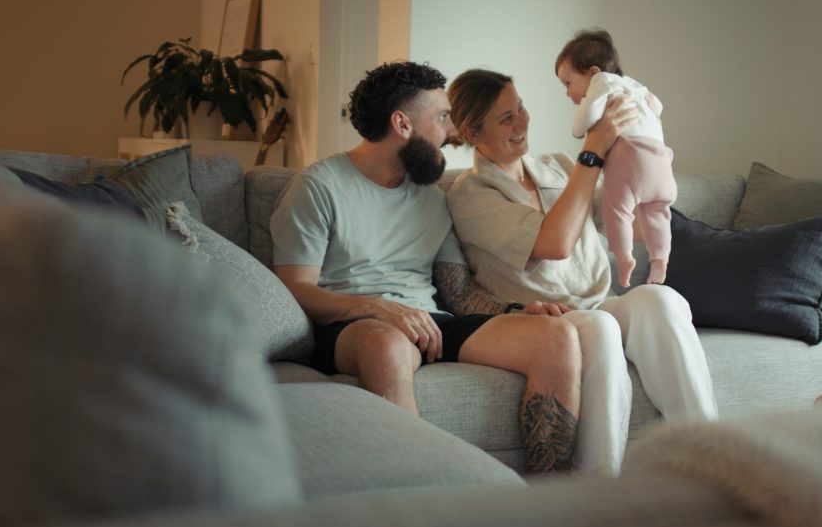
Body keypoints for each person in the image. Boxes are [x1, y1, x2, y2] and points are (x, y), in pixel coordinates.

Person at [270, 61, 629, 476]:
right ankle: (416, 494)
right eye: (442, 118)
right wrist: (379, 309)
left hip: (431, 321)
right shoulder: (318, 187)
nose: (455, 132)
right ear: (402, 124)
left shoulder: (432, 197)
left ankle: (546, 497)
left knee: (556, 336)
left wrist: (515, 310)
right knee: (386, 345)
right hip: (353, 326)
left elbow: (457, 295)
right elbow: (296, 288)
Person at [445, 68, 718, 423]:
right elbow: (554, 244)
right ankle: (597, 475)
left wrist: (644, 145)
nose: (521, 122)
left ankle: (704, 446)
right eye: (506, 118)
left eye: (521, 108)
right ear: (472, 133)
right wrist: (592, 152)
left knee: (662, 299)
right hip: (551, 321)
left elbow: (633, 228)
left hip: (602, 304)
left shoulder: (558, 166)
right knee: (600, 328)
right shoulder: (470, 195)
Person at [556, 29, 676, 287]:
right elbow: (658, 106)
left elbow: (582, 124)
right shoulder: (635, 85)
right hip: (660, 161)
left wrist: (579, 128)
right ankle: (660, 260)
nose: (568, 94)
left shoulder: (602, 83)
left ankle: (624, 258)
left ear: (592, 72)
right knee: (657, 212)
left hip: (631, 157)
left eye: (568, 83)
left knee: (618, 211)